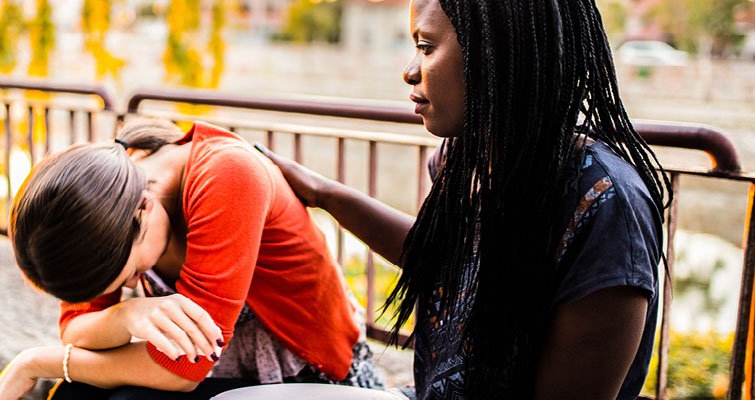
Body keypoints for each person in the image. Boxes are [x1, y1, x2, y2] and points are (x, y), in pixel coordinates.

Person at [255, 0, 671, 398]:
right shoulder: (468, 156)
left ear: (498, 52)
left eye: (426, 46)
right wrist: (321, 192)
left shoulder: (606, 206)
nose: (410, 72)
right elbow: (438, 254)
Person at [0, 118, 384, 400]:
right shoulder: (98, 200)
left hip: (306, 376)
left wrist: (35, 362)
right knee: (77, 394)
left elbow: (182, 370)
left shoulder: (227, 174)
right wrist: (127, 315)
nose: (130, 287)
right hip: (216, 373)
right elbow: (75, 327)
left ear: (144, 206)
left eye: (133, 274)